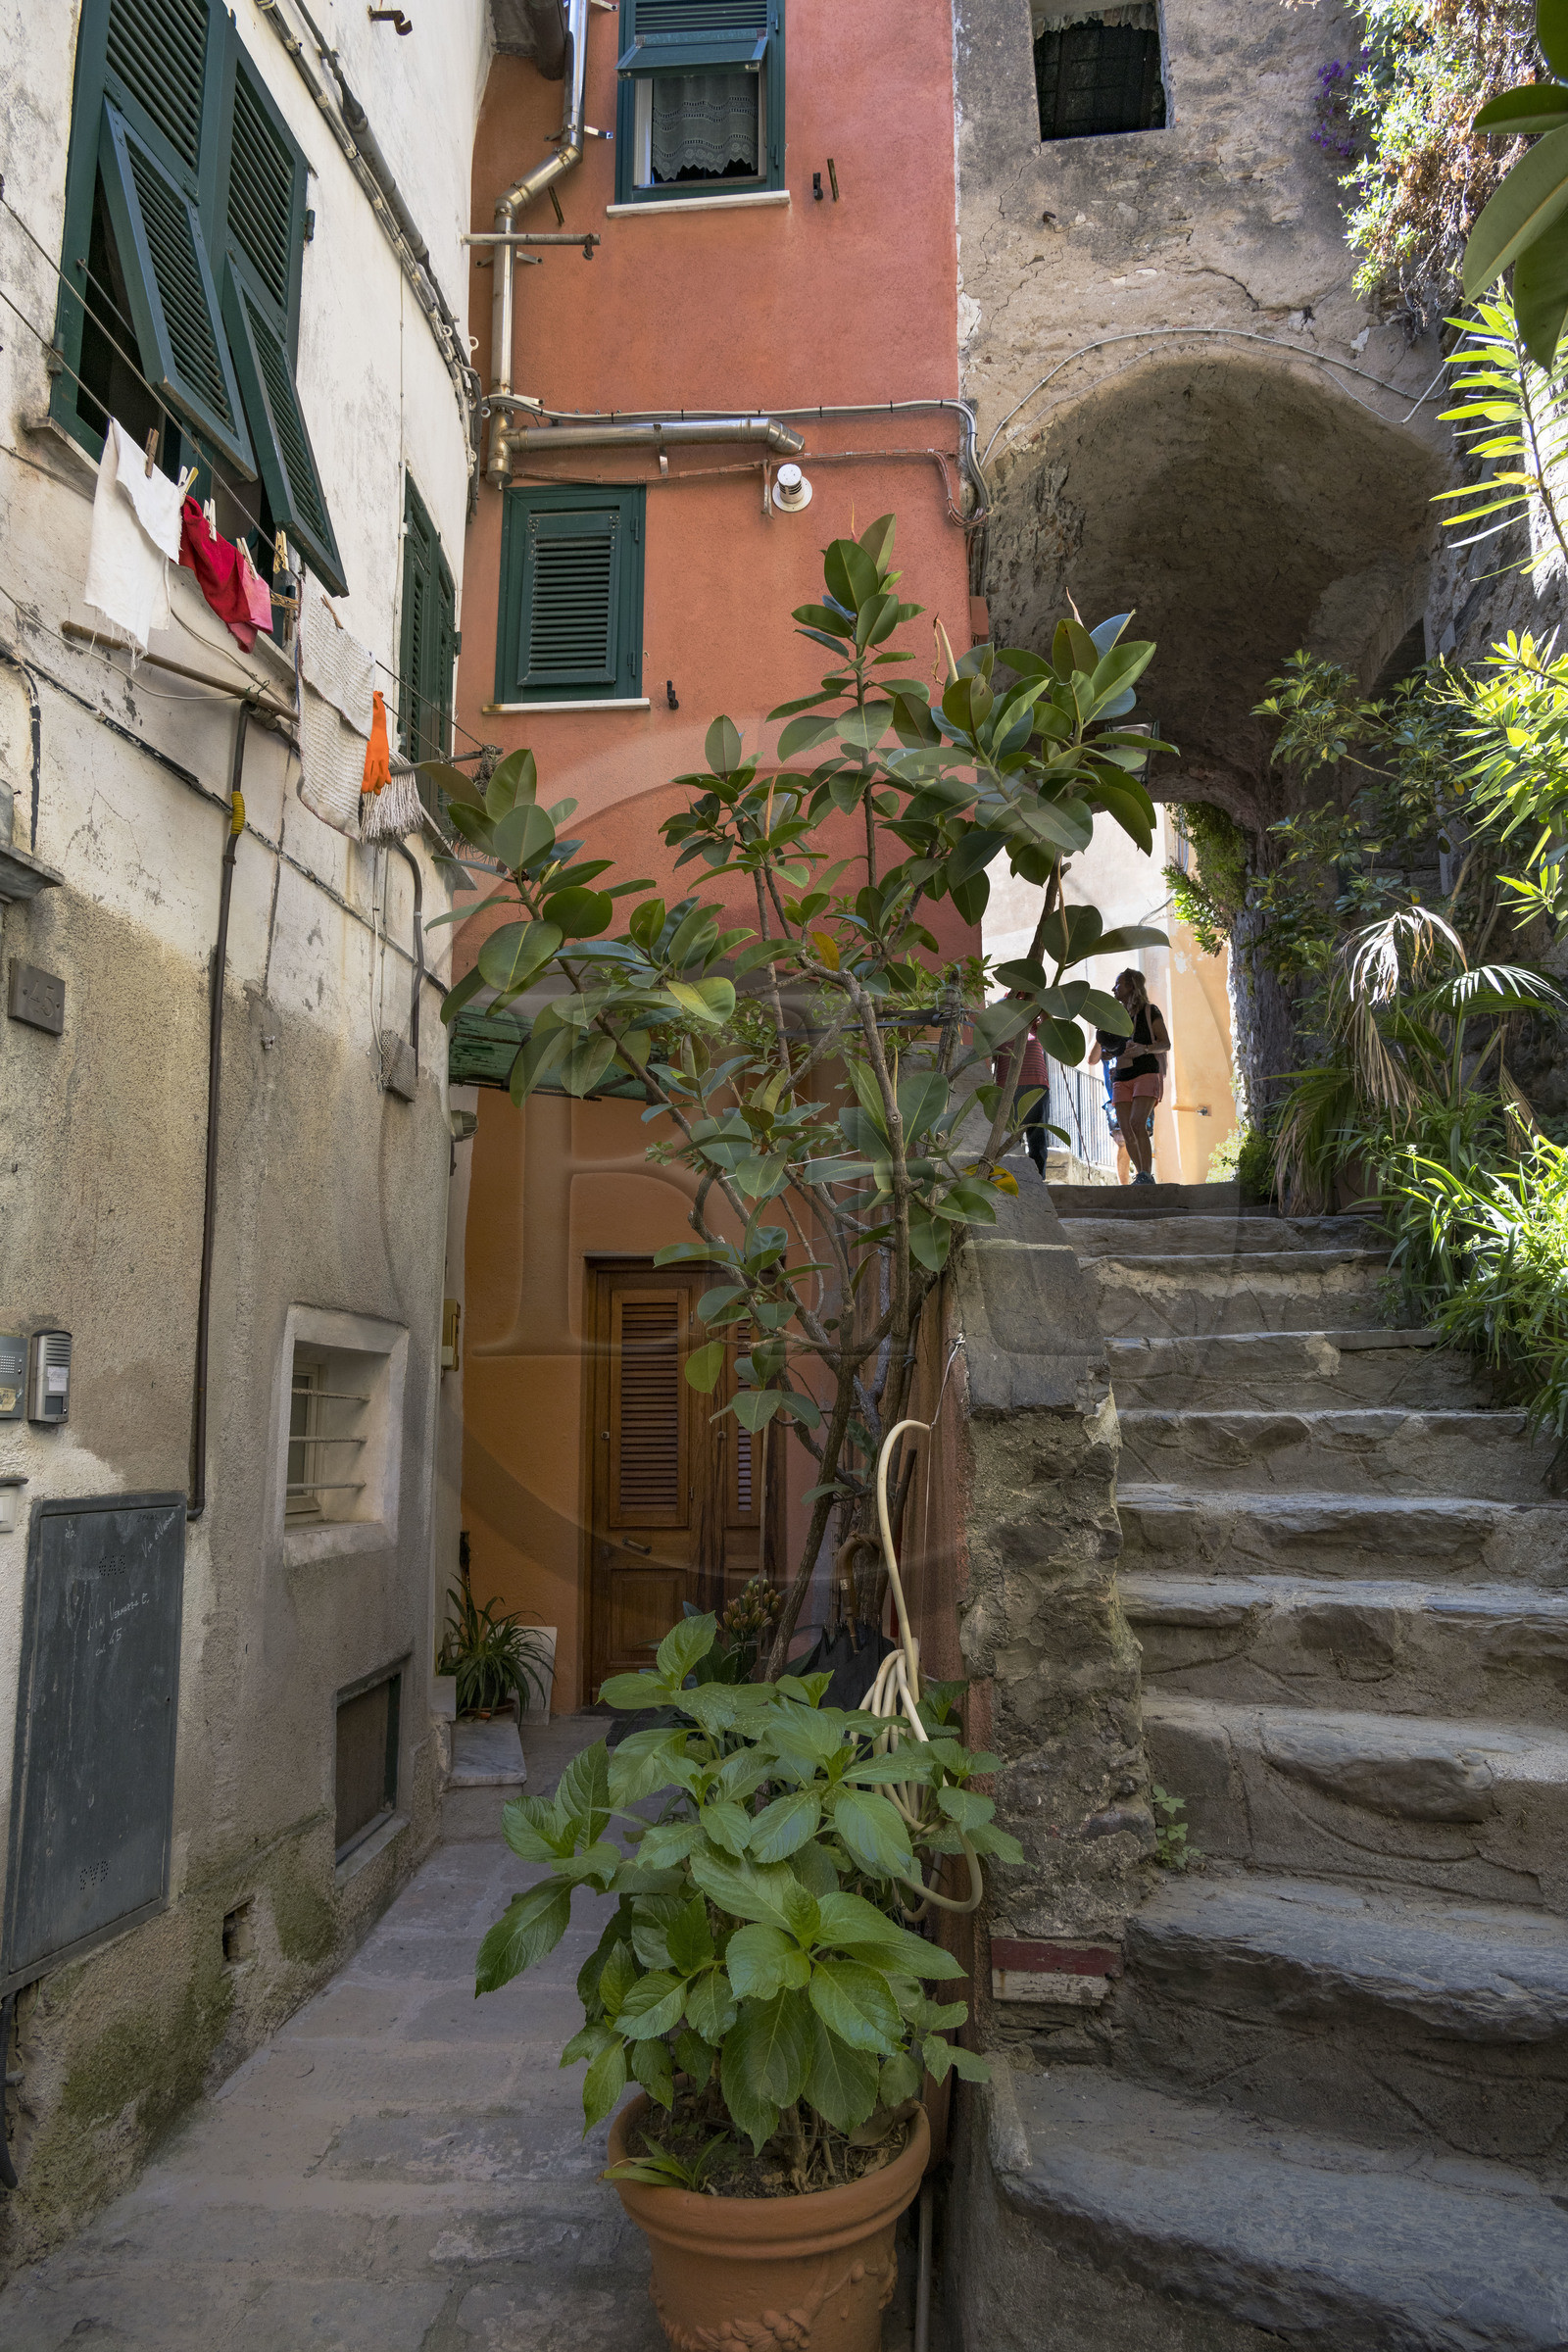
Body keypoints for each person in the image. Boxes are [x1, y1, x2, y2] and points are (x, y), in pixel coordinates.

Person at [1090, 969, 1169, 1185]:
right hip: (1121, 1076)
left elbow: (1165, 1043)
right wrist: (1109, 1050)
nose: (1114, 989)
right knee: (1125, 1129)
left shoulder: (1149, 1011)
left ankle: (1145, 1174)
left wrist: (1143, 1049)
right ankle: (1141, 1175)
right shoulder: (1114, 1018)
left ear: (1131, 986)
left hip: (1146, 1073)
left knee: (1137, 1123)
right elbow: (1099, 1056)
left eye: (1119, 984)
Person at [994, 996, 1051, 1177]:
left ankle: (1038, 1180)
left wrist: (1035, 998)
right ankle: (1013, 1179)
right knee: (1010, 1138)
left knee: (1037, 1137)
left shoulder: (1033, 1025)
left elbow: (1049, 1023)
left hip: (1037, 1084)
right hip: (1008, 1086)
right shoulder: (998, 1030)